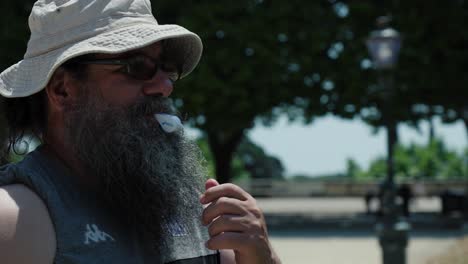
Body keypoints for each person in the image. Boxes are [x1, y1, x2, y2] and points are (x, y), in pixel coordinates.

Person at [0, 0, 281, 263]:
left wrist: (261, 255)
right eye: (137, 66)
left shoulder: (189, 204)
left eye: (167, 68)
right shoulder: (19, 216)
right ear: (63, 90)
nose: (164, 86)